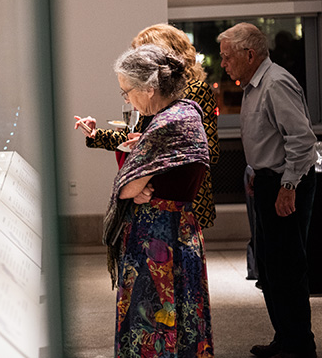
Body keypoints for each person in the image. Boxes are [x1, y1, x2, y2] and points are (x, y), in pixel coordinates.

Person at [104, 44, 213, 357]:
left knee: (151, 323)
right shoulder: (188, 112)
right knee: (185, 315)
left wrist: (135, 188)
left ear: (149, 89)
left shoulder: (166, 123)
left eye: (127, 92)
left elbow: (126, 186)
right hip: (182, 232)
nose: (126, 99)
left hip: (157, 239)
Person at [218, 22, 317, 358]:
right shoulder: (252, 87)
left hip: (287, 183)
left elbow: (303, 141)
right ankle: (285, 338)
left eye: (227, 57)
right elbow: (267, 139)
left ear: (249, 54)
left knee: (287, 268)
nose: (223, 64)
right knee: (269, 266)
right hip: (266, 180)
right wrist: (255, 173)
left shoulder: (276, 84)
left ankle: (300, 345)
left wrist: (287, 185)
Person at [75, 23, 219, 229]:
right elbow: (135, 136)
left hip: (180, 193)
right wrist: (96, 134)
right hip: (149, 190)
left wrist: (148, 148)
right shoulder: (150, 96)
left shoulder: (192, 92)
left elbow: (206, 149)